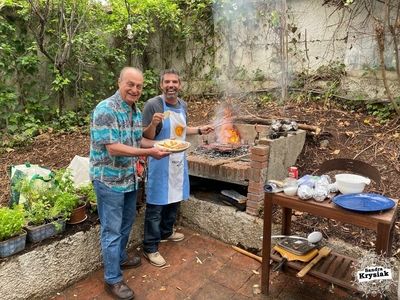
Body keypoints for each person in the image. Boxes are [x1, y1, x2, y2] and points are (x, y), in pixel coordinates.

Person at [89, 67, 171, 300]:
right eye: (130, 84)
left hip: (127, 178)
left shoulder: (134, 110)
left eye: (139, 86)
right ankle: (112, 279)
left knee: (126, 222)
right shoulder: (106, 109)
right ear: (119, 82)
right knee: (112, 230)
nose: (135, 90)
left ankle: (120, 258)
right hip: (108, 180)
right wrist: (147, 153)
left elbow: (141, 139)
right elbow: (113, 147)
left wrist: (158, 147)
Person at [141, 68, 214, 267]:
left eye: (174, 82)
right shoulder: (153, 104)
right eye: (167, 82)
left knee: (174, 199)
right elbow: (144, 137)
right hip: (159, 159)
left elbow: (180, 130)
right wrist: (153, 124)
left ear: (179, 85)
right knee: (156, 205)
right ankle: (150, 247)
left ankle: (166, 232)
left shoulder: (183, 104)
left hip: (178, 159)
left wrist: (199, 129)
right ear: (161, 85)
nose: (170, 85)